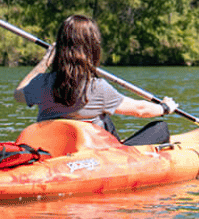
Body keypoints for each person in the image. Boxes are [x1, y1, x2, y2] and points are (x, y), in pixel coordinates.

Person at [14, 14, 177, 140]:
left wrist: (45, 61)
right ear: (92, 46)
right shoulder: (97, 87)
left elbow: (18, 94)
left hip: (56, 151)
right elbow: (140, 110)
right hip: (94, 155)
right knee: (160, 128)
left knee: (107, 120)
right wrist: (165, 108)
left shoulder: (42, 83)